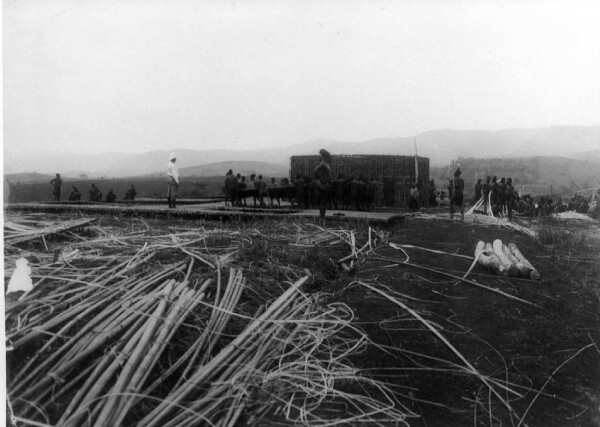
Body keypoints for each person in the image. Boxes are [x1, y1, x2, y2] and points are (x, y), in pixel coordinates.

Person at [314, 149, 333, 222]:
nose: (329, 158)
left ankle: (322, 218)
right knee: (323, 202)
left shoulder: (326, 165)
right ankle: (322, 218)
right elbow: (316, 172)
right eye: (328, 157)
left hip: (326, 185)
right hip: (323, 186)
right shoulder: (322, 165)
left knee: (324, 203)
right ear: (325, 157)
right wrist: (322, 183)